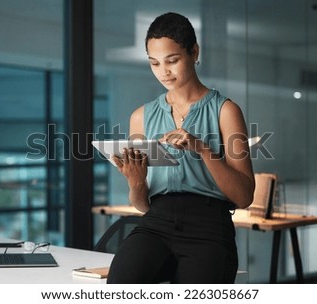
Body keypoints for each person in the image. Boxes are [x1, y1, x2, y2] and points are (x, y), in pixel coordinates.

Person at [106, 12, 255, 284]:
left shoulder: (225, 111)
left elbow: (244, 196)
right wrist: (136, 181)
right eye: (154, 63)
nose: (164, 72)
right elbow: (141, 206)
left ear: (194, 52)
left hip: (209, 227)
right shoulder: (141, 116)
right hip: (156, 224)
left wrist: (202, 148)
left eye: (172, 60)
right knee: (119, 285)